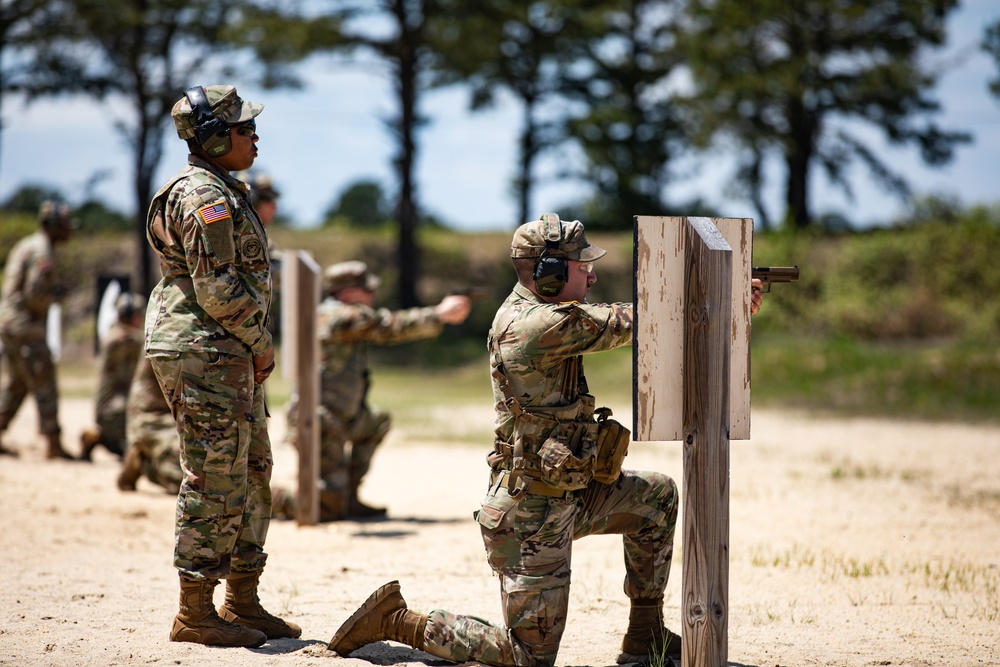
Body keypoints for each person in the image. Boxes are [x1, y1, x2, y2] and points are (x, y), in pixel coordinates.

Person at [328, 214, 764, 667]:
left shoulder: (546, 315)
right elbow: (634, 321)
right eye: (581, 266)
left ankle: (644, 631)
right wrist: (721, 295)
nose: (591, 273)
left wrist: (723, 298)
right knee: (528, 658)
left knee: (657, 497)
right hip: (530, 514)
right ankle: (399, 620)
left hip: (568, 495)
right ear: (549, 272)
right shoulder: (534, 325)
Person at [145, 83, 299, 648]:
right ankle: (194, 611)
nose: (254, 137)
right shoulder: (203, 198)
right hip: (208, 346)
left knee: (253, 467)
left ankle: (242, 599)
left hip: (222, 346)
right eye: (243, 129)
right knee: (215, 473)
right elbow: (218, 288)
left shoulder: (222, 190)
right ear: (213, 139)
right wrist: (261, 342)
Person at [280, 260, 472, 520]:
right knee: (324, 509)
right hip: (320, 422)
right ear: (347, 293)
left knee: (376, 421)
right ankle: (271, 500)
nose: (372, 295)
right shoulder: (337, 316)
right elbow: (387, 326)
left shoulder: (343, 317)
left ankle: (348, 495)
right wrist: (438, 314)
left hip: (342, 418)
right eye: (366, 290)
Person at [0, 201, 77, 460]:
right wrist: (56, 294)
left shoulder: (27, 244)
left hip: (11, 324)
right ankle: (53, 444)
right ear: (54, 226)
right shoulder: (42, 252)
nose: (69, 231)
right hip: (25, 326)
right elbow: (35, 294)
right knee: (45, 382)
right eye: (65, 226)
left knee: (18, 383)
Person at [80, 292, 146, 460]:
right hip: (115, 415)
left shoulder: (116, 334)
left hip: (112, 413)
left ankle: (97, 436)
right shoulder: (123, 339)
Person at [116, 355, 182, 494]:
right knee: (191, 480)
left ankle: (146, 460)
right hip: (152, 420)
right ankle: (142, 460)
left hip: (173, 417)